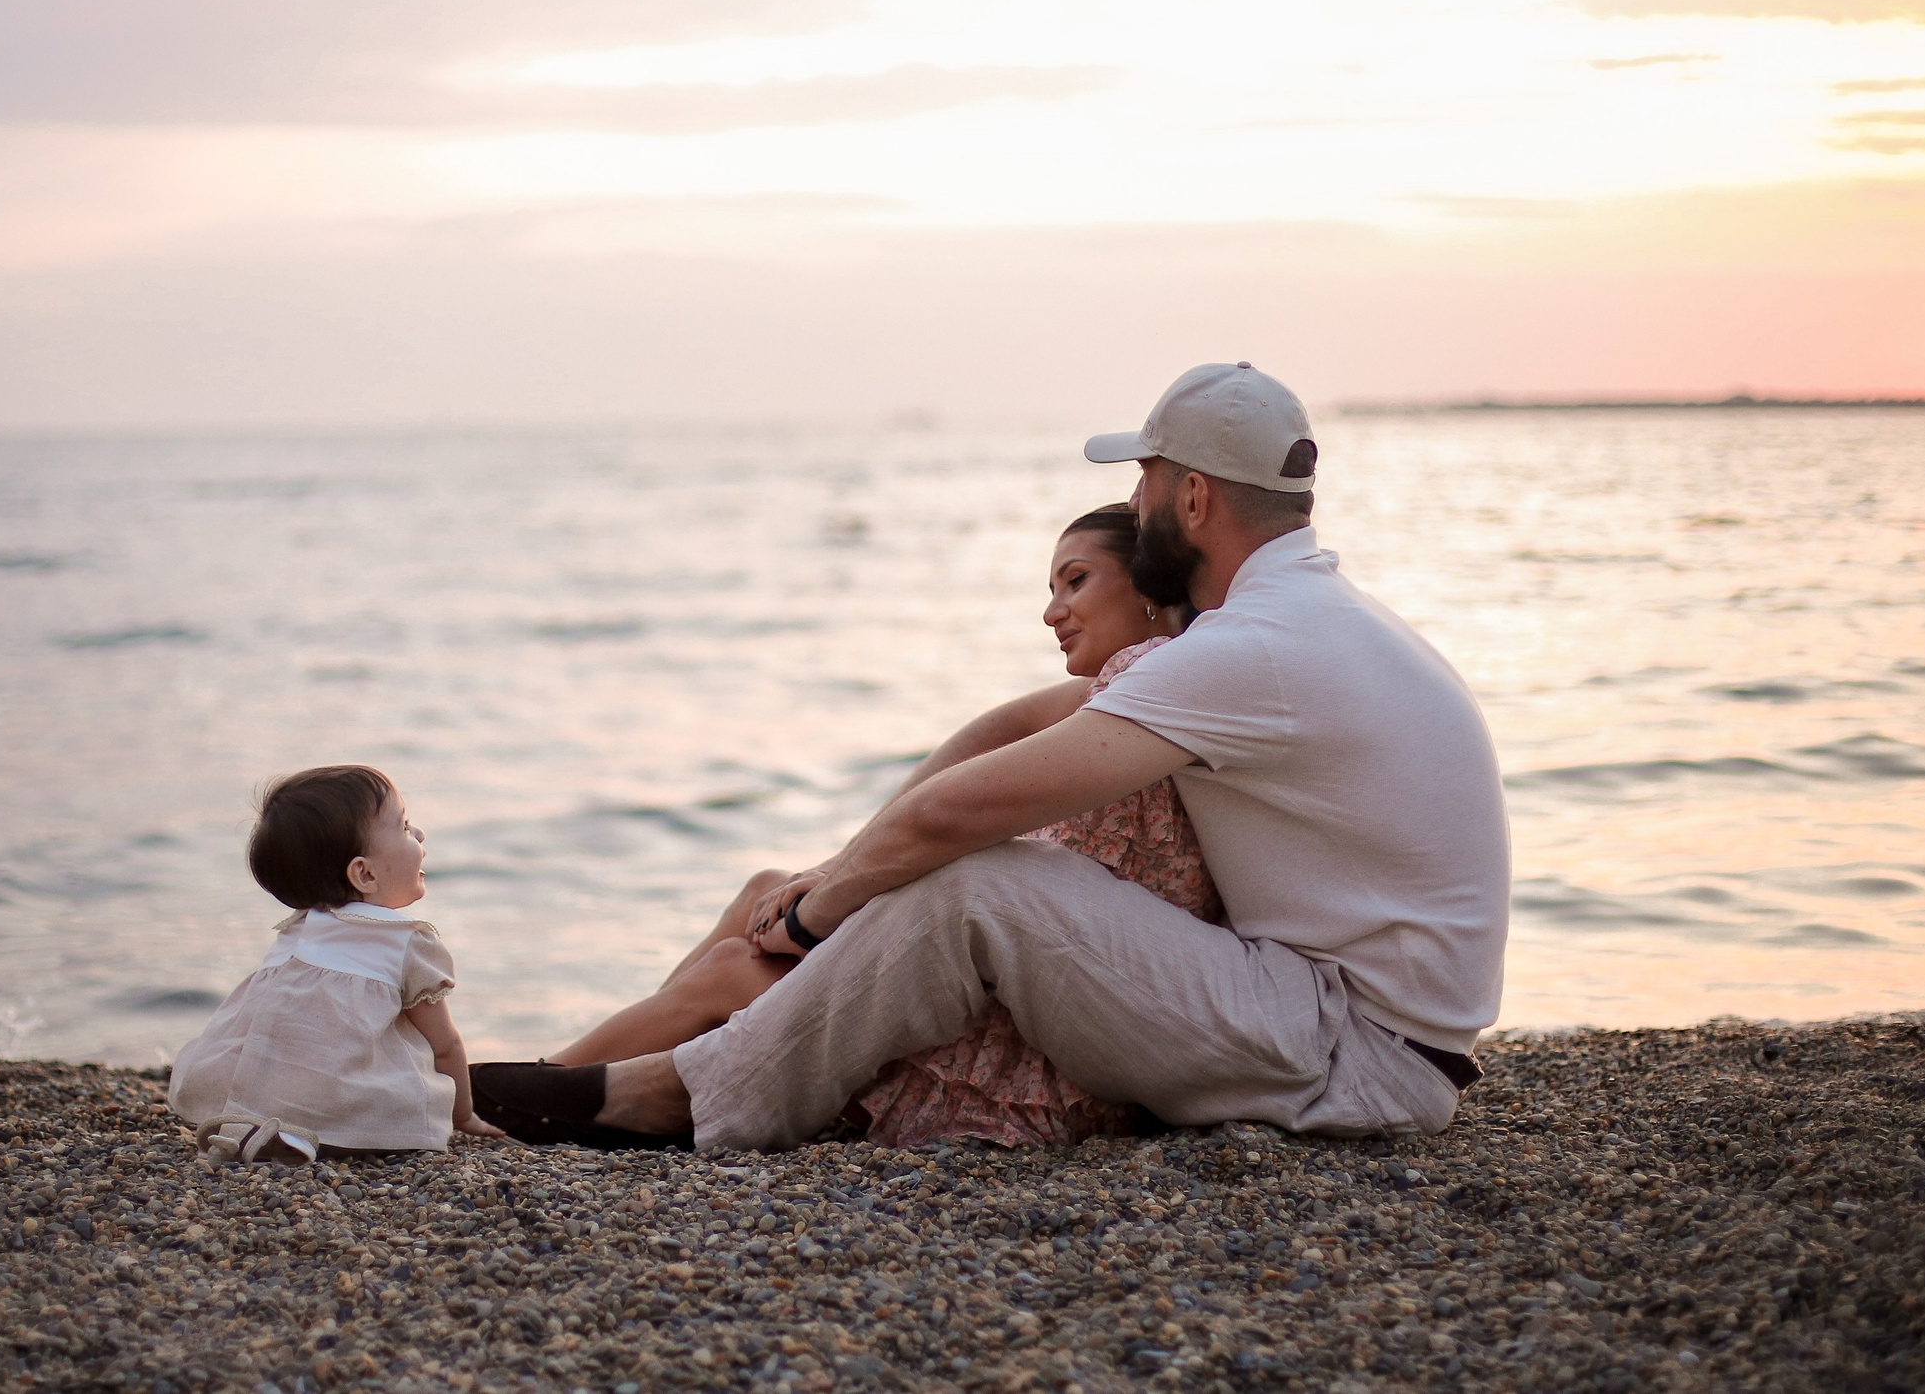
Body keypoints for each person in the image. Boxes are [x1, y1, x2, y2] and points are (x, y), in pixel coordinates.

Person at [474, 362, 1510, 1150]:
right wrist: (836, 877)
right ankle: (656, 1073)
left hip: (1354, 1056)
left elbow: (956, 817)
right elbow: (1005, 732)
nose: (1137, 500)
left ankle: (676, 1094)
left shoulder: (1255, 648)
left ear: (1193, 499)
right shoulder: (1305, 624)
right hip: (1339, 1024)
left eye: (1145, 478)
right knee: (965, 878)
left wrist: (811, 916)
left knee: (985, 880)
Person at [528, 505, 1221, 1150]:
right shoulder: (1132, 690)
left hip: (1028, 1053)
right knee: (766, 887)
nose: (1051, 611)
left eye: (1076, 580)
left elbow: (971, 837)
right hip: (1013, 998)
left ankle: (527, 1091)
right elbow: (997, 729)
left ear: (1147, 587)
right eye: (1050, 586)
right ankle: (557, 1082)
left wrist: (834, 896)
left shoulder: (1150, 678)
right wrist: (838, 866)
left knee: (733, 970)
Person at [168, 764, 501, 1162]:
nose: (420, 834)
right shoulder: (405, 941)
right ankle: (321, 1134)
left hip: (255, 1097)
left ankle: (271, 1129)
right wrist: (462, 1115)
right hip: (349, 1108)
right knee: (403, 1093)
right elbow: (445, 1044)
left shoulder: (298, 932)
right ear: (364, 873)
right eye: (405, 826)